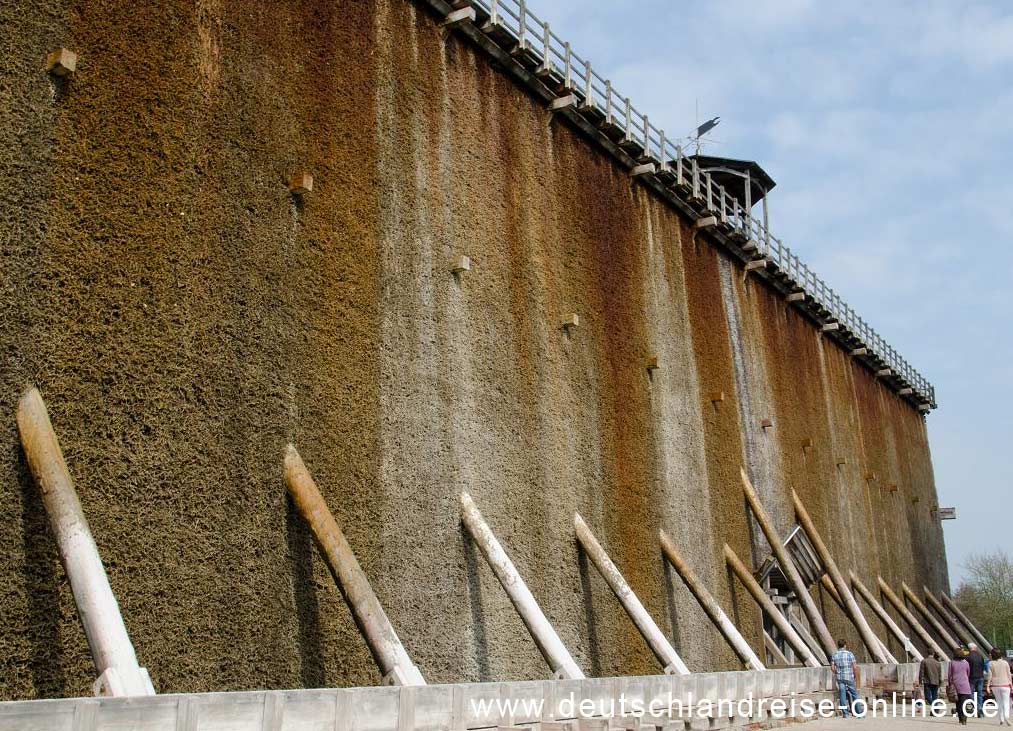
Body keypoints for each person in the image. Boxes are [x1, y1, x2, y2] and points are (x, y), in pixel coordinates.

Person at [831, 638, 859, 718]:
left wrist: (838, 672)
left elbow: (832, 668)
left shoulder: (835, 655)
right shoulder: (850, 654)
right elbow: (854, 667)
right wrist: (855, 677)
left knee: (842, 695)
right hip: (849, 677)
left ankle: (845, 714)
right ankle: (858, 712)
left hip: (840, 678)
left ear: (838, 645)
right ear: (845, 645)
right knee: (854, 695)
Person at [987, 647, 1012, 726]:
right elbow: (1009, 675)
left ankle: (1001, 719)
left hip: (995, 685)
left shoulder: (990, 663)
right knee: (1006, 702)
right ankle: (1006, 716)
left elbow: (989, 676)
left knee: (999, 702)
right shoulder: (1005, 663)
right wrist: (1011, 684)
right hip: (1005, 684)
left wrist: (988, 686)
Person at [950, 647, 973, 725]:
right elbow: (968, 673)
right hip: (965, 684)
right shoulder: (966, 663)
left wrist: (950, 684)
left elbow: (950, 675)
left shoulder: (952, 662)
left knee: (958, 702)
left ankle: (960, 719)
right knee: (964, 702)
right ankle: (964, 719)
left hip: (956, 684)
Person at [970, 642, 987, 717]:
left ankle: (977, 707)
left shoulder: (967, 657)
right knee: (979, 693)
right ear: (975, 648)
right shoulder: (981, 656)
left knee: (971, 693)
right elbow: (983, 667)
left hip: (971, 677)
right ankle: (980, 708)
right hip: (980, 677)